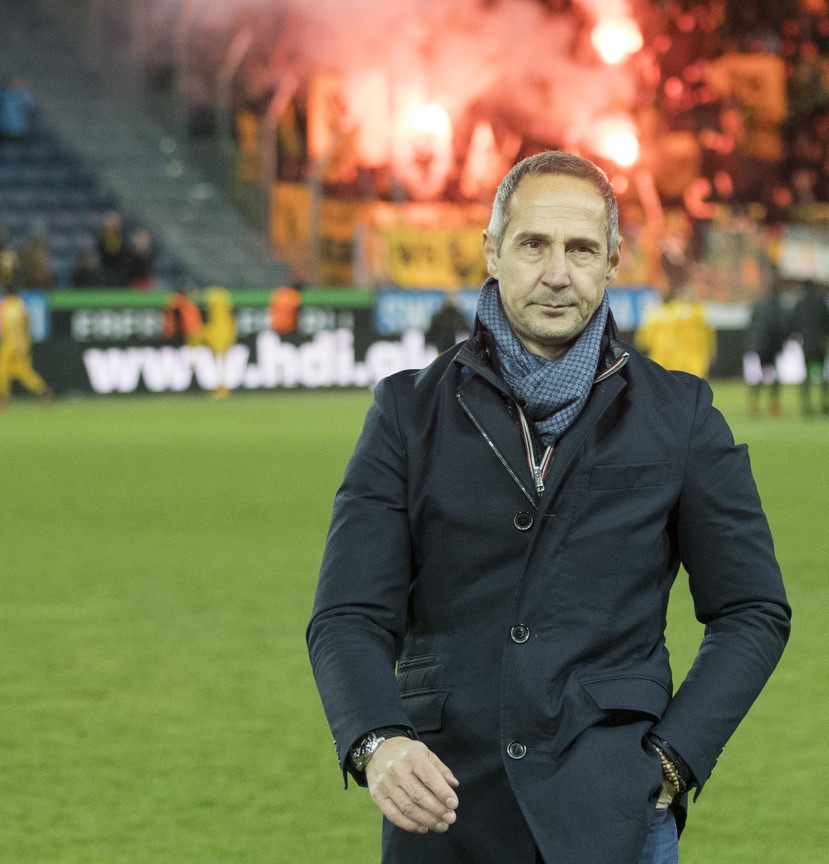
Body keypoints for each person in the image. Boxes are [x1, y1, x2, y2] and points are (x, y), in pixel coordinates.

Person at [307, 151, 790, 864]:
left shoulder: (680, 415)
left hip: (615, 819)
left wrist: (676, 757)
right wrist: (377, 740)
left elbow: (753, 608)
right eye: (533, 244)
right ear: (493, 253)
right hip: (448, 814)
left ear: (613, 262)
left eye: (580, 248)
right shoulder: (407, 413)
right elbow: (348, 612)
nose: (557, 272)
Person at [635, 278, 718, 378]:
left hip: (690, 353)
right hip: (671, 353)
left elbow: (709, 333)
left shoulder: (698, 310)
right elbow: (647, 334)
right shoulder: (665, 311)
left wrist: (711, 350)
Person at [0, 284, 52, 410]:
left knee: (0, 368)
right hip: (21, 341)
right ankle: (43, 391)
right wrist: (25, 341)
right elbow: (26, 323)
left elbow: (5, 325)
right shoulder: (20, 304)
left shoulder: (7, 304)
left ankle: (1, 398)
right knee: (22, 370)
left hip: (10, 341)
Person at [785, 279, 829, 418]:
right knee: (824, 375)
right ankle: (825, 406)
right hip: (821, 342)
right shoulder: (822, 302)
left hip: (807, 343)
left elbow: (792, 323)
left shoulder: (800, 303)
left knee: (806, 375)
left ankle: (807, 407)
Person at [744, 283, 786, 417]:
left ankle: (754, 404)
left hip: (758, 345)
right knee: (773, 376)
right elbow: (779, 328)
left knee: (760, 375)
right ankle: (773, 406)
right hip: (771, 346)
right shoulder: (777, 307)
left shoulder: (758, 306)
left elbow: (751, 324)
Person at [201, 285, 236, 400]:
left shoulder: (215, 304)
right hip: (223, 334)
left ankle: (221, 387)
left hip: (219, 334)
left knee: (220, 362)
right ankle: (221, 387)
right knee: (221, 362)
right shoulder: (225, 308)